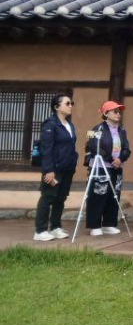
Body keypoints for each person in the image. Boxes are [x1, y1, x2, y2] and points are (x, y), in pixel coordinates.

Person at [34, 94, 79, 242]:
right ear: (57, 107)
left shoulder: (69, 124)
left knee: (60, 198)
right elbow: (47, 149)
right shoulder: (50, 124)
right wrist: (49, 170)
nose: (70, 105)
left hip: (67, 168)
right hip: (55, 168)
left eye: (71, 103)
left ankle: (55, 227)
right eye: (67, 103)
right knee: (48, 197)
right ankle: (40, 231)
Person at [83, 100, 130, 236]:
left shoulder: (122, 130)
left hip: (117, 167)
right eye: (115, 111)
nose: (118, 114)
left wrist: (121, 159)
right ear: (106, 113)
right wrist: (110, 159)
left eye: (119, 111)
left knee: (114, 194)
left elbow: (126, 148)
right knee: (98, 194)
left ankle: (109, 224)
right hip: (100, 167)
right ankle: (94, 225)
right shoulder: (95, 129)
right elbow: (92, 146)